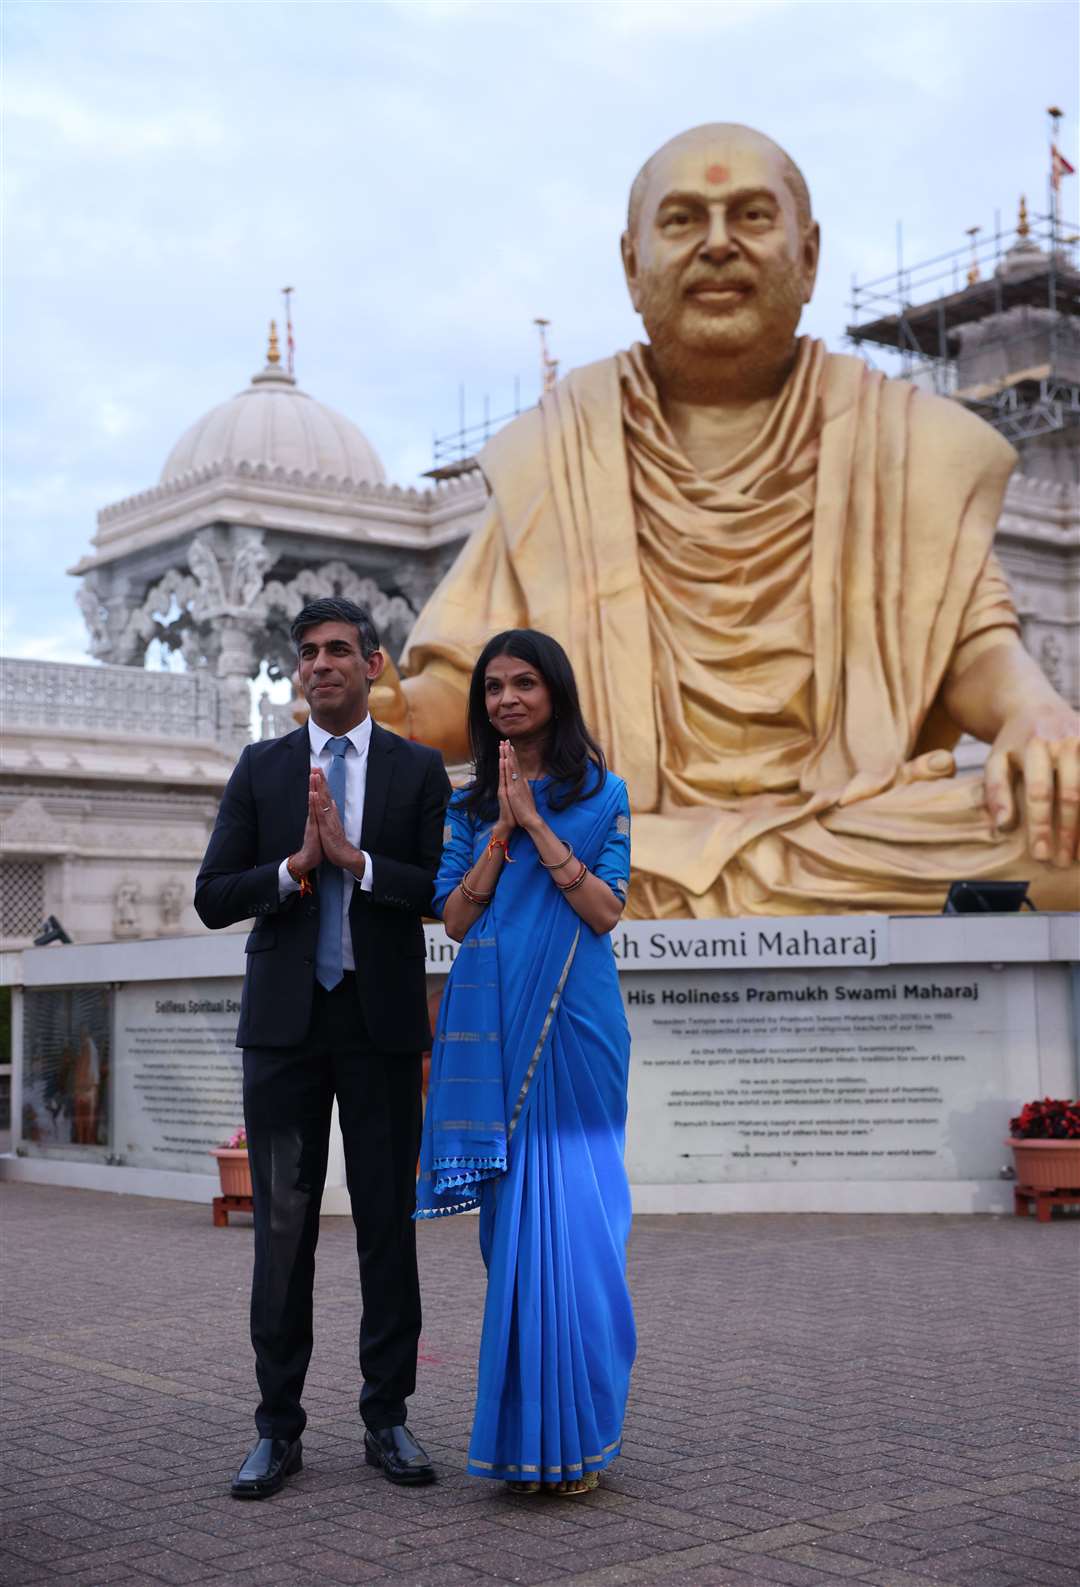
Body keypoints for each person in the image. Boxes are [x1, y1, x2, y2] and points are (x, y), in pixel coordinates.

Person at [374, 123, 1079, 916]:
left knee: (1063, 824)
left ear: (808, 257)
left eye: (750, 216)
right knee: (431, 835)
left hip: (852, 825)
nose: (717, 245)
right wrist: (389, 712)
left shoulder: (902, 440)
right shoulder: (559, 450)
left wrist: (1037, 711)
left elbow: (978, 651)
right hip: (613, 824)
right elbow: (471, 687)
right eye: (682, 221)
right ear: (632, 264)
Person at [195, 596, 451, 1500]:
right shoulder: (261, 769)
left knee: (387, 1231)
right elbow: (213, 893)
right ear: (297, 670)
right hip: (284, 1032)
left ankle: (387, 1418)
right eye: (307, 653)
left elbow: (439, 888)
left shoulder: (420, 772)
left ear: (374, 665)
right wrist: (293, 869)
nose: (322, 664)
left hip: (380, 1028)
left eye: (340, 649)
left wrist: (356, 861)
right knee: (281, 1233)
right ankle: (278, 1428)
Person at [417, 629, 636, 1495]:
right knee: (513, 1240)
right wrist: (500, 829)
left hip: (577, 1031)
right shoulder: (465, 807)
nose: (506, 698)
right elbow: (456, 919)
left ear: (556, 694)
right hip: (495, 1033)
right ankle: (525, 1444)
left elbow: (605, 909)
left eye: (524, 683)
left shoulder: (603, 792)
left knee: (581, 1238)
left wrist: (538, 822)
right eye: (494, 687)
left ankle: (580, 1436)